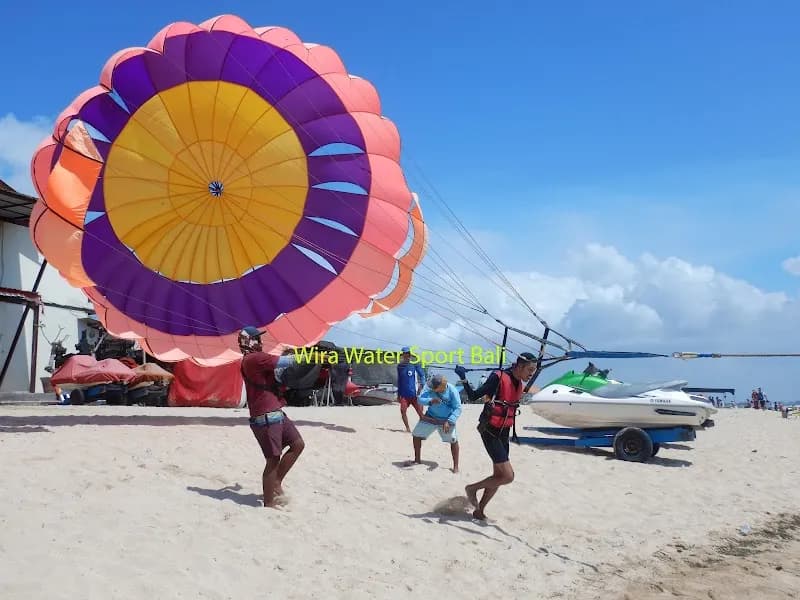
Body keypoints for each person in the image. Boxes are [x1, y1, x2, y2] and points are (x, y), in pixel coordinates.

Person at [456, 352, 538, 521]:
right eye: (530, 369)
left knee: (499, 476)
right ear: (520, 366)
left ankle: (479, 511)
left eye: (534, 370)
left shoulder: (518, 381)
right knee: (508, 476)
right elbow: (473, 396)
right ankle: (471, 489)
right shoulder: (498, 377)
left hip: (504, 431)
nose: (531, 374)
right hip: (490, 430)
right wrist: (463, 377)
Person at [239, 326, 305, 508]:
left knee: (298, 444)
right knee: (273, 460)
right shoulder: (255, 359)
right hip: (266, 417)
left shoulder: (254, 360)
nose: (260, 342)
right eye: (257, 339)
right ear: (250, 342)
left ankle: (276, 482)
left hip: (276, 412)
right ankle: (268, 502)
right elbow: (287, 362)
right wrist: (310, 356)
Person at [406, 374, 462, 472]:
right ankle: (417, 460)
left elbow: (458, 408)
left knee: (453, 440)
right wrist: (430, 401)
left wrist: (450, 421)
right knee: (416, 435)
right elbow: (419, 399)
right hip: (431, 416)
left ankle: (455, 467)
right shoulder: (430, 387)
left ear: (441, 387)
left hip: (446, 420)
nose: (431, 388)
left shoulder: (452, 390)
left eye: (434, 387)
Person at [397, 346, 425, 432]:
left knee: (420, 413)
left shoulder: (415, 364)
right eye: (404, 354)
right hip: (404, 395)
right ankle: (408, 428)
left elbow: (422, 375)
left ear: (410, 355)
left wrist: (421, 385)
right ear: (402, 355)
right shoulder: (400, 367)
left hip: (415, 394)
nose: (406, 356)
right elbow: (399, 380)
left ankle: (423, 429)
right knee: (402, 411)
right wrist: (399, 394)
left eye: (407, 354)